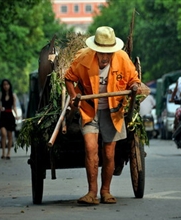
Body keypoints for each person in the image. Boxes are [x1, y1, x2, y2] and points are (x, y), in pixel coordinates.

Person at [65, 26, 141, 205]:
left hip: (113, 112)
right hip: (89, 109)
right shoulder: (83, 58)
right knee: (91, 148)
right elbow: (68, 78)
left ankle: (105, 191)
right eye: (101, 53)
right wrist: (73, 95)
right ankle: (91, 192)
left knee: (109, 152)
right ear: (95, 50)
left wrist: (134, 87)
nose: (105, 57)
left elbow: (134, 80)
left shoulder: (123, 59)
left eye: (109, 53)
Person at [0, 79, 19, 159]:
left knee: (10, 136)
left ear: (9, 85)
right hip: (3, 116)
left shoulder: (13, 95)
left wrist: (16, 115)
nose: (6, 86)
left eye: (7, 84)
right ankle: (3, 152)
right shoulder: (0, 94)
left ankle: (8, 153)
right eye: (4, 85)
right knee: (3, 134)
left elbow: (14, 106)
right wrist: (0, 107)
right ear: (2, 86)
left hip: (10, 116)